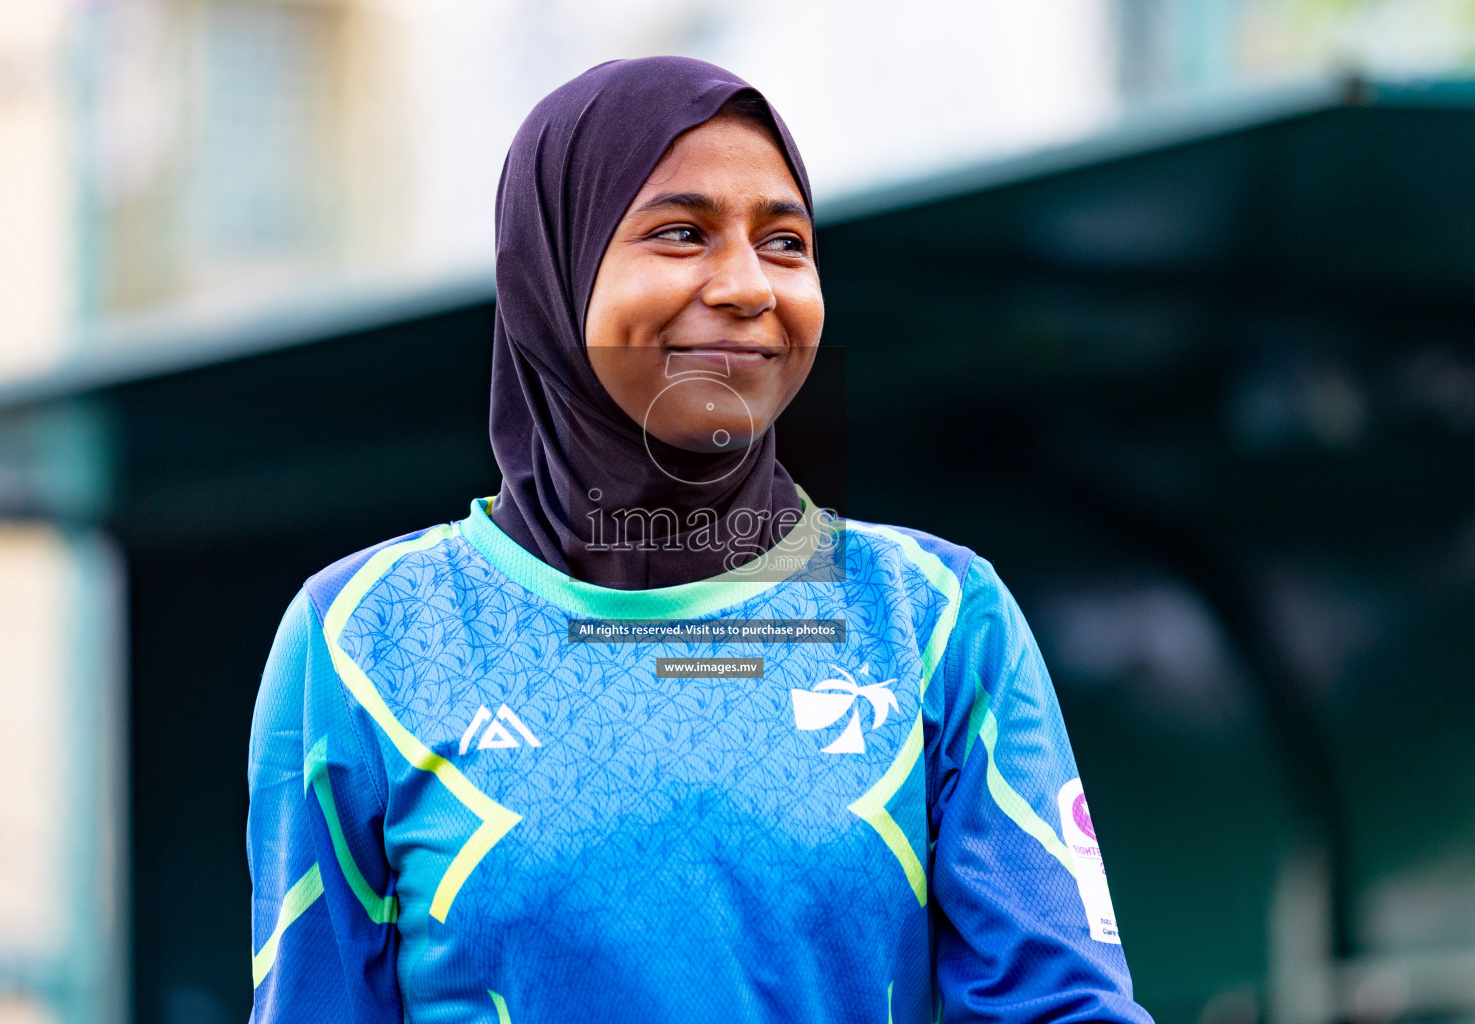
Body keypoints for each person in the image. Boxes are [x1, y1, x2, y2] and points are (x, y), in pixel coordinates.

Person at [247, 56, 1154, 1024]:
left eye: (786, 242)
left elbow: (1062, 1007)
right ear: (552, 268)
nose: (746, 285)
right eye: (682, 233)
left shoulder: (934, 616)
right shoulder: (360, 638)